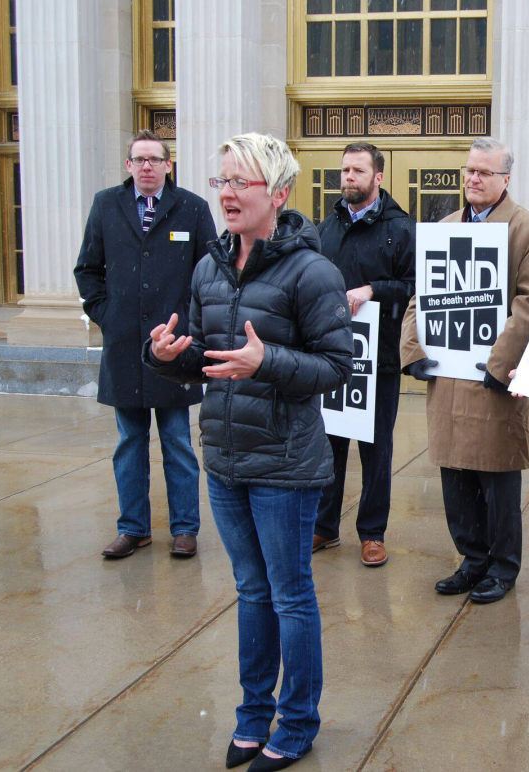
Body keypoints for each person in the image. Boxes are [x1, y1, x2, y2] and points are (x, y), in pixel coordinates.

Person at [143, 133, 352, 771]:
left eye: (240, 182)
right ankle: (252, 714)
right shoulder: (208, 266)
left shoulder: (312, 271)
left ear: (279, 194)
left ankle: (298, 721)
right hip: (226, 460)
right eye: (221, 181)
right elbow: (207, 363)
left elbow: (337, 365)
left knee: (290, 595)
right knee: (251, 591)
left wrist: (270, 361)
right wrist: (167, 359)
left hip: (286, 464)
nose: (227, 194)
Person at [400, 137, 529, 605]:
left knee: (497, 476)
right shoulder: (445, 227)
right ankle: (471, 559)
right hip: (448, 376)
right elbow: (420, 296)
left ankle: (502, 567)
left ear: (506, 178)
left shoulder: (528, 229)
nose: (473, 179)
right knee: (455, 475)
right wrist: (413, 350)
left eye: (484, 172)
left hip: (493, 379)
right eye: (469, 171)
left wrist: (500, 364)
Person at [74, 129, 218, 559]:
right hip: (124, 349)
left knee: (177, 441)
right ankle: (133, 528)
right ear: (128, 166)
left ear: (168, 165)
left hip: (175, 350)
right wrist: (108, 317)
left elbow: (208, 273)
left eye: (155, 159)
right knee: (129, 443)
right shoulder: (106, 205)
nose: (147, 167)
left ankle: (185, 529)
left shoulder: (192, 208)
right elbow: (88, 269)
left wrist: (192, 330)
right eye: (139, 160)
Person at [312, 142, 415, 567]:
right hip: (332, 356)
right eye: (344, 170)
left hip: (381, 360)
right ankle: (324, 525)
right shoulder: (325, 228)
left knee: (376, 449)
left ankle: (372, 533)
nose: (348, 177)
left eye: (357, 170)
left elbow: (414, 287)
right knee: (329, 443)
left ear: (378, 177)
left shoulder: (401, 228)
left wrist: (374, 289)